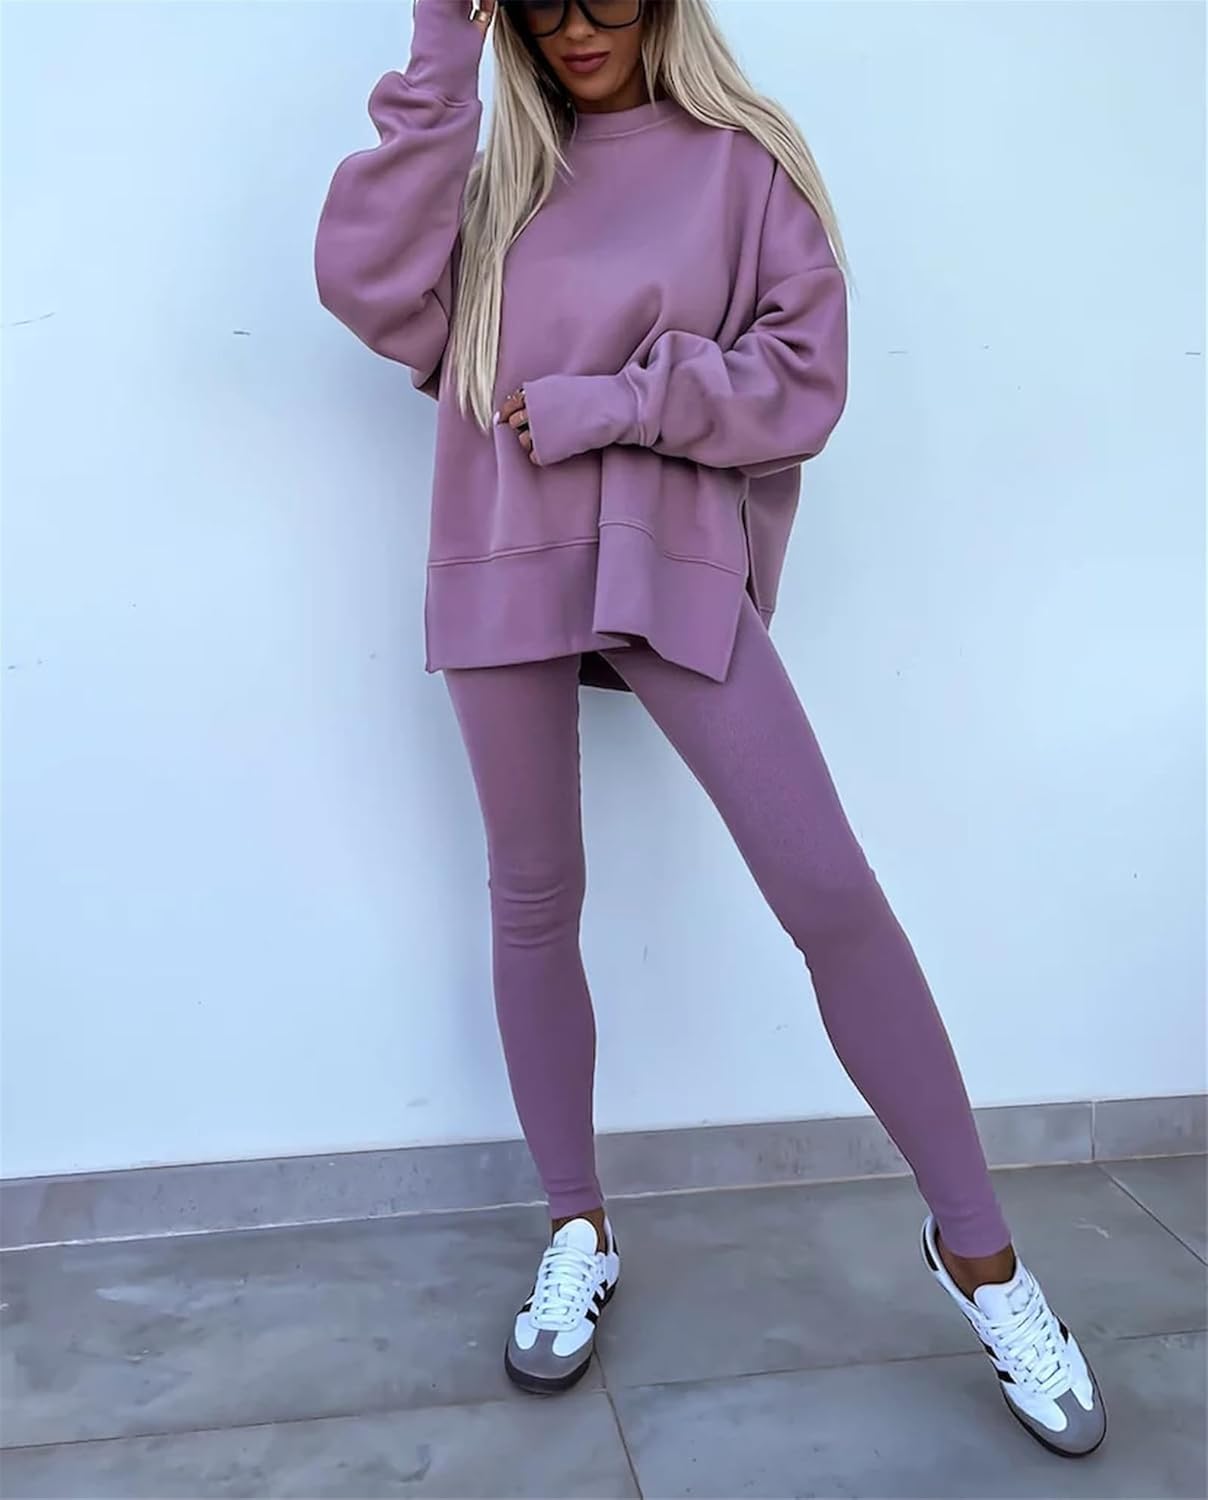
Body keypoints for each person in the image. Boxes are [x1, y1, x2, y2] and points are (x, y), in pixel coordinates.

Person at [315, 0, 1105, 1456]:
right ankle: (578, 1225)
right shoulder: (494, 177)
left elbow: (805, 378)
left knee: (830, 894)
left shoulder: (742, 165)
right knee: (533, 896)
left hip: (665, 557)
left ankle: (983, 1256)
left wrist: (615, 402)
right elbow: (366, 287)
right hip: (499, 557)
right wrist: (437, 51)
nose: (577, 24)